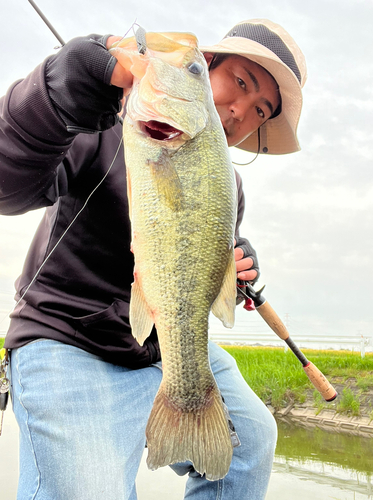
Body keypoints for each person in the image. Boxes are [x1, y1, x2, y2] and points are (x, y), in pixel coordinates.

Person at [0, 18, 306, 500]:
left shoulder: (231, 186)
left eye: (260, 110)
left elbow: (201, 258)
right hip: (69, 336)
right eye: (241, 83)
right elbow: (6, 187)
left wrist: (237, 260)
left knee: (252, 440)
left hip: (161, 343)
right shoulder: (101, 124)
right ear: (207, 67)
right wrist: (60, 92)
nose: (239, 111)